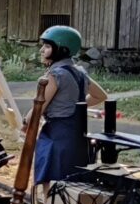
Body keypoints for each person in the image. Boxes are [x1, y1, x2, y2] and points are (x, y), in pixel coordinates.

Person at [32, 25, 107, 191]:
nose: (42, 50)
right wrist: (75, 106)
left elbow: (39, 108)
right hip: (77, 137)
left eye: (47, 46)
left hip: (57, 137)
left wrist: (26, 120)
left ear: (61, 49)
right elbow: (100, 96)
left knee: (52, 187)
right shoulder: (78, 71)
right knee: (73, 189)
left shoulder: (55, 74)